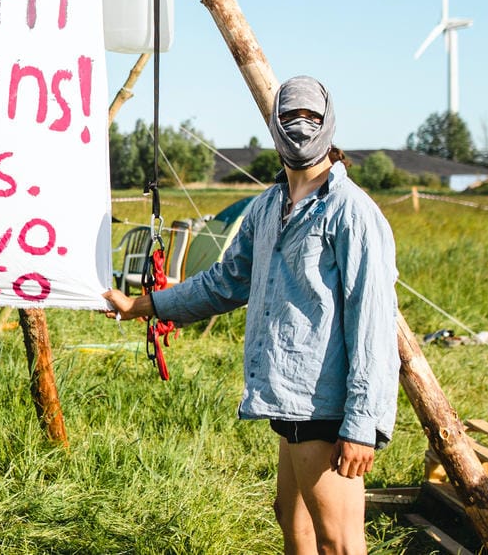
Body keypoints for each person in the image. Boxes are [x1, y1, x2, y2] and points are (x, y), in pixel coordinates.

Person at [104, 77, 399, 555]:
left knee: (339, 544)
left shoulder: (350, 212)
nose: (300, 127)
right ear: (273, 125)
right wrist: (143, 305)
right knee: (294, 524)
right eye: (289, 117)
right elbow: (223, 283)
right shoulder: (267, 207)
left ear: (329, 124)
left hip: (327, 406)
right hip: (288, 400)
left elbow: (373, 325)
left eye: (312, 117)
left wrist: (361, 424)